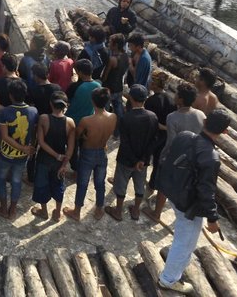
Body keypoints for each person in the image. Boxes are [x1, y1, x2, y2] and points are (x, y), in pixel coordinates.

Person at [157, 109, 231, 294]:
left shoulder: (184, 136)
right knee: (186, 241)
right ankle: (168, 279)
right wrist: (212, 218)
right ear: (224, 132)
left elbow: (168, 158)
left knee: (185, 237)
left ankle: (177, 264)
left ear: (204, 122)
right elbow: (206, 190)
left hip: (171, 191)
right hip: (186, 202)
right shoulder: (210, 157)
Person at [143, 82, 205, 222]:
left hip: (176, 156)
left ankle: (156, 214)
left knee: (163, 186)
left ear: (181, 99)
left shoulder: (173, 117)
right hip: (193, 156)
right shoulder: (200, 115)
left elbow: (171, 142)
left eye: (177, 94)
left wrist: (163, 159)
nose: (174, 96)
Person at [104, 85, 158, 222]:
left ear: (131, 99)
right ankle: (135, 211)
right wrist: (142, 159)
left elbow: (125, 143)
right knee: (140, 184)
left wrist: (135, 160)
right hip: (143, 161)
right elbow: (153, 141)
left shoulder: (126, 118)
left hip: (126, 159)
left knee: (121, 184)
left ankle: (118, 211)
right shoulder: (153, 117)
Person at [63, 88, 117, 221]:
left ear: (92, 101)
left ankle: (76, 212)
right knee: (100, 183)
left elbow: (76, 136)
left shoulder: (86, 120)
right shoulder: (113, 116)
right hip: (102, 151)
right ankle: (99, 209)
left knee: (82, 183)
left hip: (87, 153)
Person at [0, 79, 38, 220]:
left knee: (0, 179)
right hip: (22, 155)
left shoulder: (5, 112)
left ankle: (3, 208)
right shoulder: (33, 111)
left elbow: (5, 137)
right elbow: (35, 132)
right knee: (16, 181)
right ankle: (12, 210)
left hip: (6, 153)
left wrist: (23, 148)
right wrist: (30, 148)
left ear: (11, 95)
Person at [31, 92, 75, 222]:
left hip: (44, 160)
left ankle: (44, 211)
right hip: (59, 163)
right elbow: (71, 148)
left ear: (51, 104)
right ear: (65, 106)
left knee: (42, 185)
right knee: (58, 185)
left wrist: (56, 156)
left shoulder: (44, 118)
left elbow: (41, 142)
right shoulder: (70, 122)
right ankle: (57, 213)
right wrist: (64, 164)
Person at [144, 70, 176, 194]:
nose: (150, 82)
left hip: (151, 135)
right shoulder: (171, 100)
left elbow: (148, 121)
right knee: (157, 161)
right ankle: (152, 185)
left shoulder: (151, 101)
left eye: (151, 81)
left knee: (143, 158)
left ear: (155, 85)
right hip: (164, 137)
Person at [66, 59, 102, 127]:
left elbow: (66, 100)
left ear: (80, 72)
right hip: (88, 121)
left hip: (73, 120)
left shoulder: (74, 86)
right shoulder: (98, 86)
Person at [102, 33, 129, 120]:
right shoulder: (126, 56)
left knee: (104, 112)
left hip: (109, 89)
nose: (108, 43)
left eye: (110, 42)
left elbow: (105, 76)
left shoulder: (113, 59)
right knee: (119, 110)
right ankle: (119, 129)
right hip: (119, 88)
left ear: (116, 45)